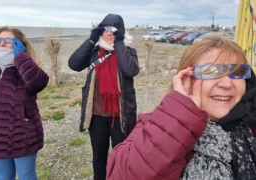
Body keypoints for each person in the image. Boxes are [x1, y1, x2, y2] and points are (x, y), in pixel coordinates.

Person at [106, 35, 256, 180]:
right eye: (211, 72)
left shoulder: (250, 126)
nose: (226, 84)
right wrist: (180, 118)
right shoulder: (155, 127)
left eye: (237, 72)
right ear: (186, 79)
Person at [68, 13, 139, 180]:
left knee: (121, 157)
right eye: (105, 29)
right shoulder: (94, 51)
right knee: (99, 157)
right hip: (97, 116)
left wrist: (119, 42)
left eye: (114, 29)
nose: (109, 32)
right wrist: (92, 39)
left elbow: (130, 70)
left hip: (121, 115)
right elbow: (74, 64)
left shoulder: (128, 51)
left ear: (120, 31)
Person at [0, 26, 49, 180]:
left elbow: (38, 83)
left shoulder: (25, 68)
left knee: (26, 176)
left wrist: (20, 57)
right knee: (3, 177)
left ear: (18, 45)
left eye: (8, 40)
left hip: (23, 136)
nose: (2, 43)